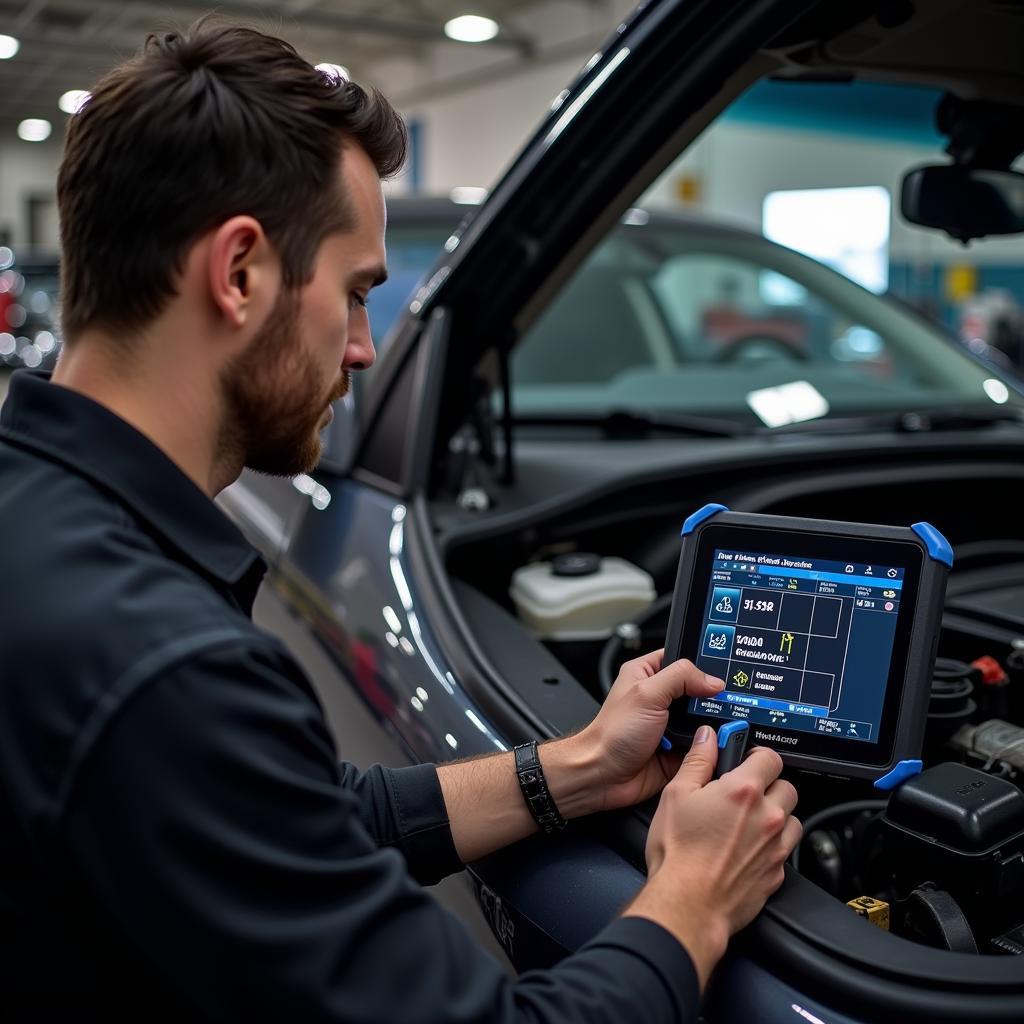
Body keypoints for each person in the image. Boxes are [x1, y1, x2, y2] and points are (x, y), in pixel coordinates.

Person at [0, 20, 800, 1023]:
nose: (367, 349)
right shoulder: (161, 665)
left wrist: (578, 769)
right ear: (239, 271)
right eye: (357, 293)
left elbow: (307, 814)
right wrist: (693, 896)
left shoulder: (38, 521)